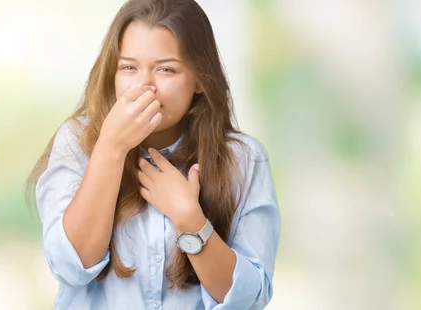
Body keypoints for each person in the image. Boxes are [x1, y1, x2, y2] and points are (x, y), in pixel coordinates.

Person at [26, 0, 281, 309]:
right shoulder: (77, 142)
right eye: (129, 67)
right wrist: (110, 148)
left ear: (200, 78)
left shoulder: (243, 160)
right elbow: (70, 266)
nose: (144, 86)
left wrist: (190, 220)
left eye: (165, 69)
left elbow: (249, 299)